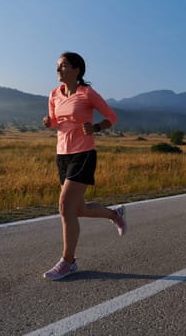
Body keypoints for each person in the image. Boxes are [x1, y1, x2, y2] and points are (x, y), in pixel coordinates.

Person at [41, 52, 126, 280]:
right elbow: (55, 122)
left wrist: (96, 128)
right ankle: (113, 213)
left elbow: (112, 117)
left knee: (64, 206)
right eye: (57, 66)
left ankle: (68, 262)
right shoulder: (53, 94)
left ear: (76, 70)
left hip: (84, 154)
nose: (58, 69)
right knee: (76, 209)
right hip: (62, 155)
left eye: (63, 65)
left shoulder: (86, 93)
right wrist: (50, 123)